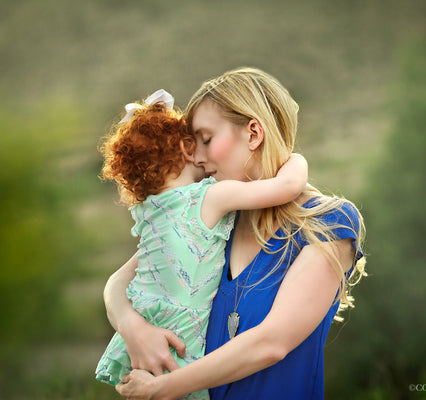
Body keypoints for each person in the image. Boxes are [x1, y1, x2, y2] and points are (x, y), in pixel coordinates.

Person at [105, 67, 366, 400]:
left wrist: (162, 388)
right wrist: (133, 328)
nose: (196, 157)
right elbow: (117, 283)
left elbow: (272, 342)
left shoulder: (327, 223)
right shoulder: (214, 222)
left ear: (254, 133)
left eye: (206, 140)